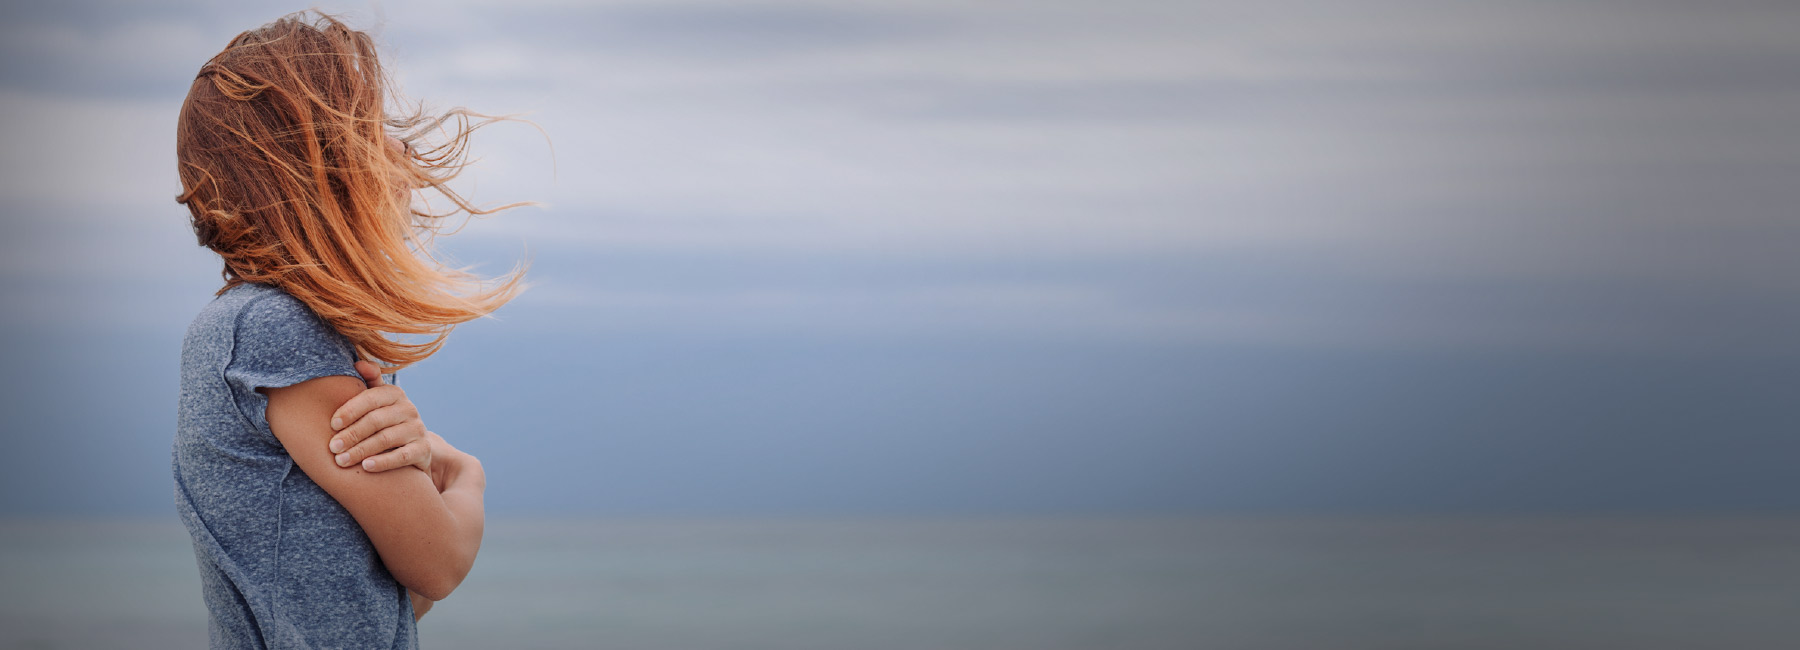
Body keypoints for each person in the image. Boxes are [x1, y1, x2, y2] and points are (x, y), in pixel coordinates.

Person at [170, 11, 528, 648]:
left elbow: (373, 608)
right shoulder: (275, 329)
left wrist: (417, 472)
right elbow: (436, 565)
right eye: (372, 129)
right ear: (316, 164)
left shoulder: (245, 326)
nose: (400, 150)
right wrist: (464, 474)